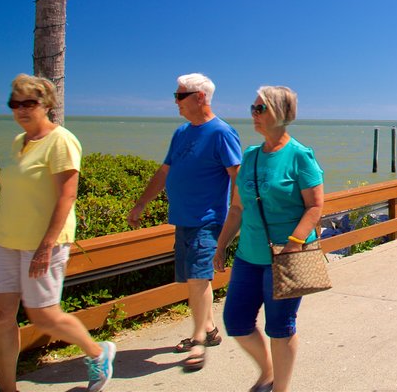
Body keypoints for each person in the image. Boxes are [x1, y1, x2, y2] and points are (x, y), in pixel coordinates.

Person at [0, 75, 115, 392]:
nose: (22, 110)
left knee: (43, 315)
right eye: (15, 103)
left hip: (43, 243)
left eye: (30, 103)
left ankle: (98, 352)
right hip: (5, 241)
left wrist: (46, 246)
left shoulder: (61, 141)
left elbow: (67, 197)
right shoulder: (19, 142)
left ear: (47, 105)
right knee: (0, 315)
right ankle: (7, 388)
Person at [214, 86, 325, 392]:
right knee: (236, 321)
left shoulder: (300, 156)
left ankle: (281, 388)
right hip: (248, 256)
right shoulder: (249, 156)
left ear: (281, 113)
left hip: (285, 257)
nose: (254, 113)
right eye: (253, 107)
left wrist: (294, 243)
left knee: (280, 328)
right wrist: (221, 244)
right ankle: (267, 372)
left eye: (260, 108)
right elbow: (236, 207)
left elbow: (315, 206)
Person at [128, 73, 241, 371]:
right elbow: (165, 171)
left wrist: (235, 217)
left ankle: (198, 341)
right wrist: (141, 203)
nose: (174, 101)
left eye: (180, 95)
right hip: (183, 219)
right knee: (193, 278)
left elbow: (236, 177)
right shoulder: (181, 133)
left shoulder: (222, 133)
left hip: (208, 219)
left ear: (200, 97)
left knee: (198, 277)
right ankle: (211, 330)